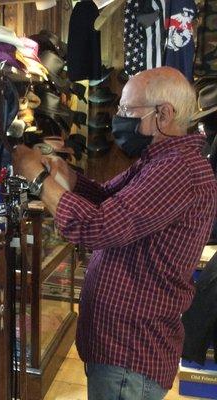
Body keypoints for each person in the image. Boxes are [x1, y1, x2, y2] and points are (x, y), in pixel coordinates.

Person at [12, 66, 217, 400]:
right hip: (124, 352)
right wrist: (70, 176)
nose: (119, 119)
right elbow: (110, 201)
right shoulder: (160, 161)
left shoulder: (177, 170)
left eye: (126, 111)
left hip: (131, 354)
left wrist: (36, 178)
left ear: (163, 114)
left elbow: (96, 226)